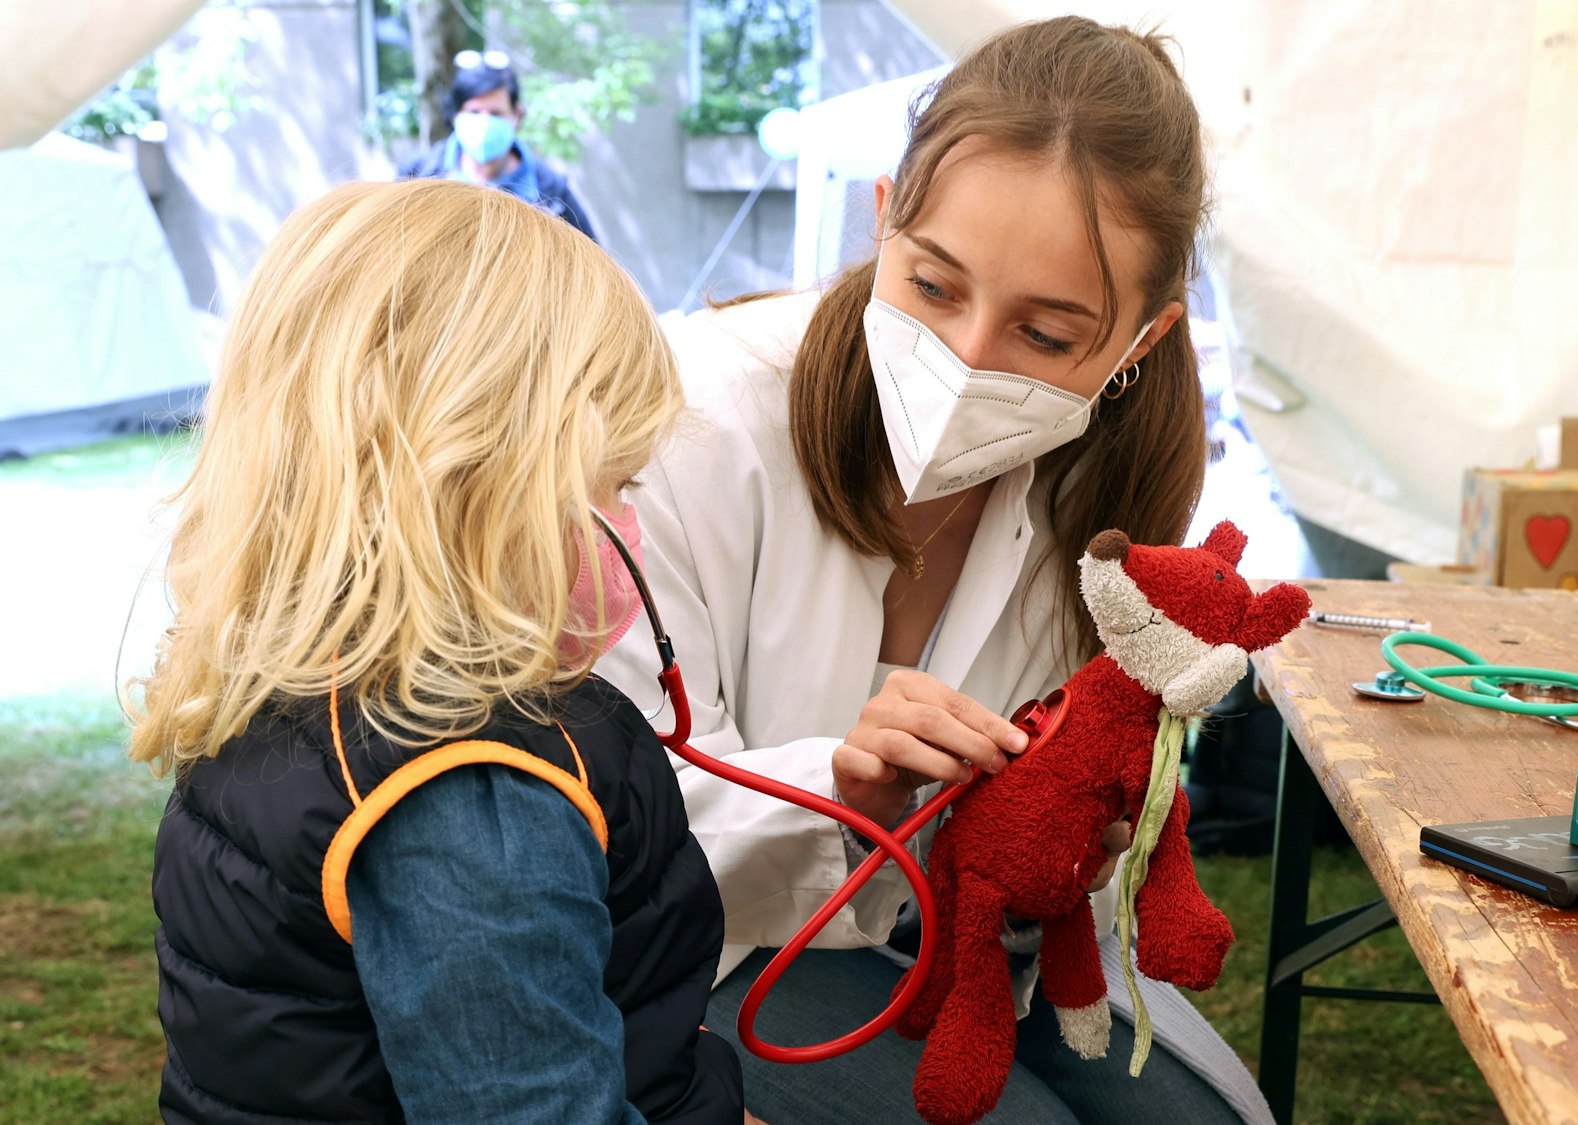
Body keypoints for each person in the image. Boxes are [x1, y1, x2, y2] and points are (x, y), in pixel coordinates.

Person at [597, 17, 1272, 1125]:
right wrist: (841, 792)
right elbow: (607, 821)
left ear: (1139, 345)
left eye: (1046, 337)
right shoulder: (684, 426)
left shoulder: (1101, 499)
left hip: (967, 937)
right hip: (704, 942)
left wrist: (1073, 838)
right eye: (932, 285)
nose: (964, 362)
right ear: (881, 219)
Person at [132, 179, 746, 1124]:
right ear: (474, 480)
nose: (627, 530)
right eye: (615, 486)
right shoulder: (468, 798)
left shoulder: (311, 694)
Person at [398, 51, 598, 240]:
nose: (484, 123)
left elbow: (592, 263)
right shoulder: (417, 174)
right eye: (474, 112)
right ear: (455, 116)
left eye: (495, 113)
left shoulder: (553, 193)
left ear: (517, 115)